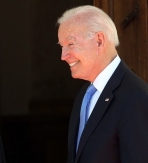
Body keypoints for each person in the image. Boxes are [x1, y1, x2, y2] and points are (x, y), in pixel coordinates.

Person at [57, 5, 148, 163]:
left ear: (99, 41)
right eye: (62, 46)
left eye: (70, 44)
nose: (63, 56)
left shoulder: (135, 98)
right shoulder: (84, 95)